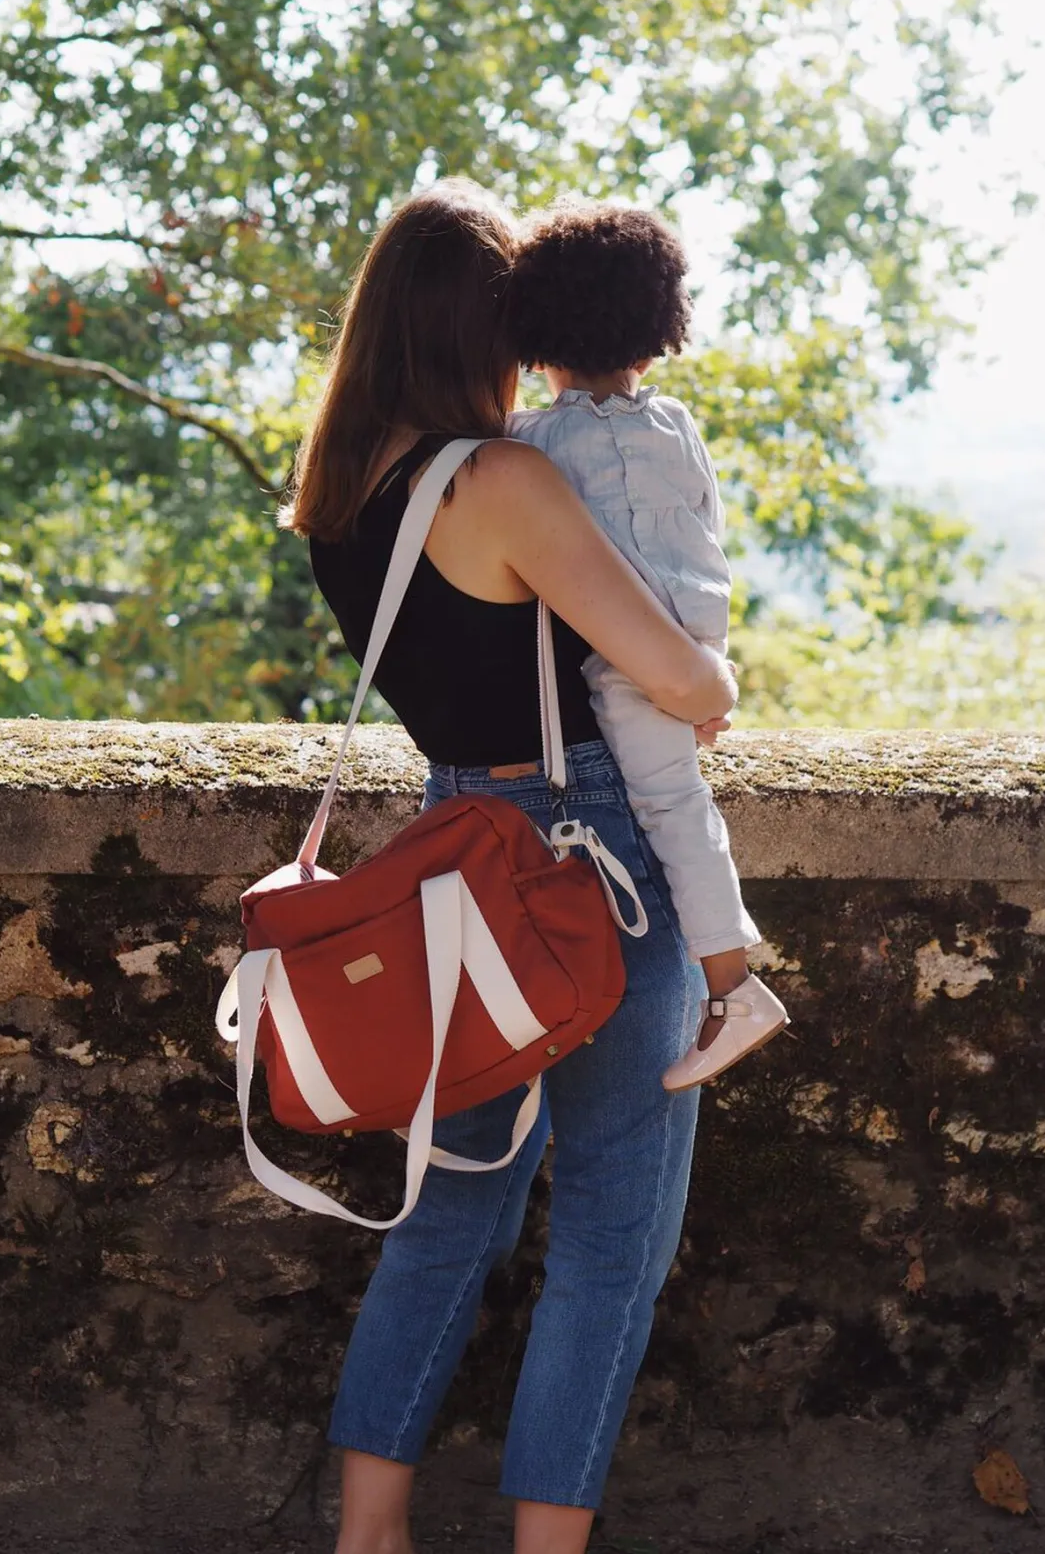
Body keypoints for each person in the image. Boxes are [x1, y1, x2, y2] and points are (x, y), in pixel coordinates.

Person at [282, 178, 737, 1554]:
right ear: (489, 322)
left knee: (446, 1212)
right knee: (610, 1233)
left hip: (448, 852)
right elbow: (679, 680)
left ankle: (370, 1533)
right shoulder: (504, 480)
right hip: (587, 861)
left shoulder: (344, 492)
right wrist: (712, 664)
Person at [506, 199, 789, 1090]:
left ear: (537, 330)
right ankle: (729, 986)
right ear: (656, 324)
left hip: (623, 666)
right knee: (679, 800)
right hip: (688, 646)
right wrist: (705, 667)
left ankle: (732, 987)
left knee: (671, 810)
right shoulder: (675, 426)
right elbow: (708, 535)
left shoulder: (531, 444)